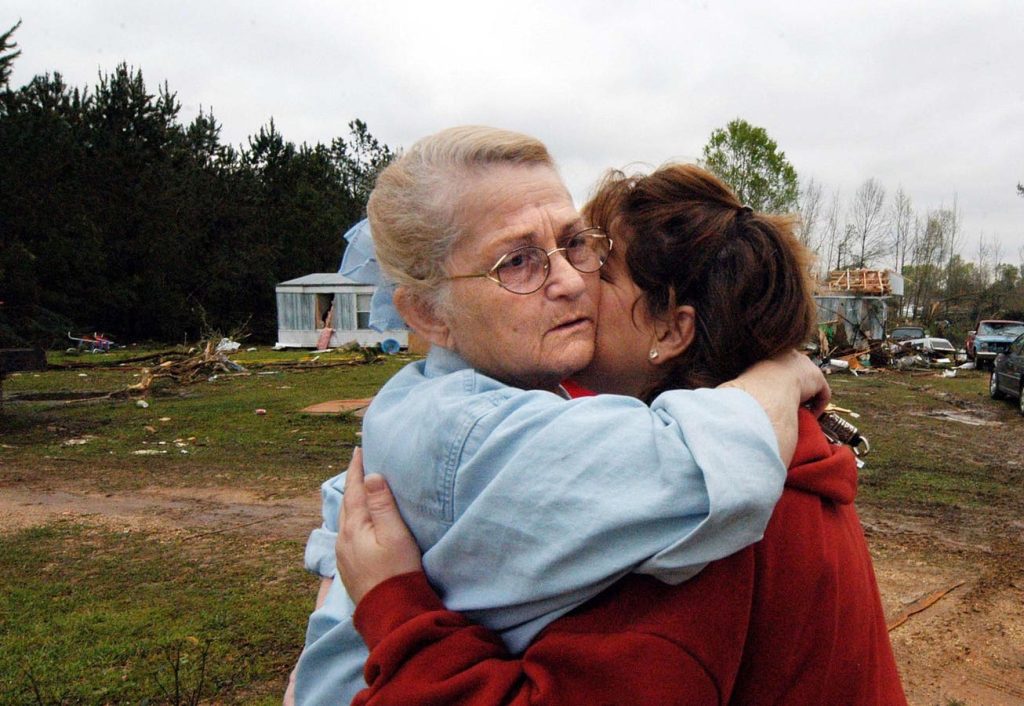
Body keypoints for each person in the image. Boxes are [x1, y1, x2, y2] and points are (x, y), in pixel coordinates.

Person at [289, 128, 828, 705]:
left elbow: (353, 490)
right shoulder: (484, 432)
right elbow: (715, 473)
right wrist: (780, 374)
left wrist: (338, 576)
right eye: (517, 262)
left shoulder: (429, 397)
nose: (571, 282)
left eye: (574, 243)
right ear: (427, 313)